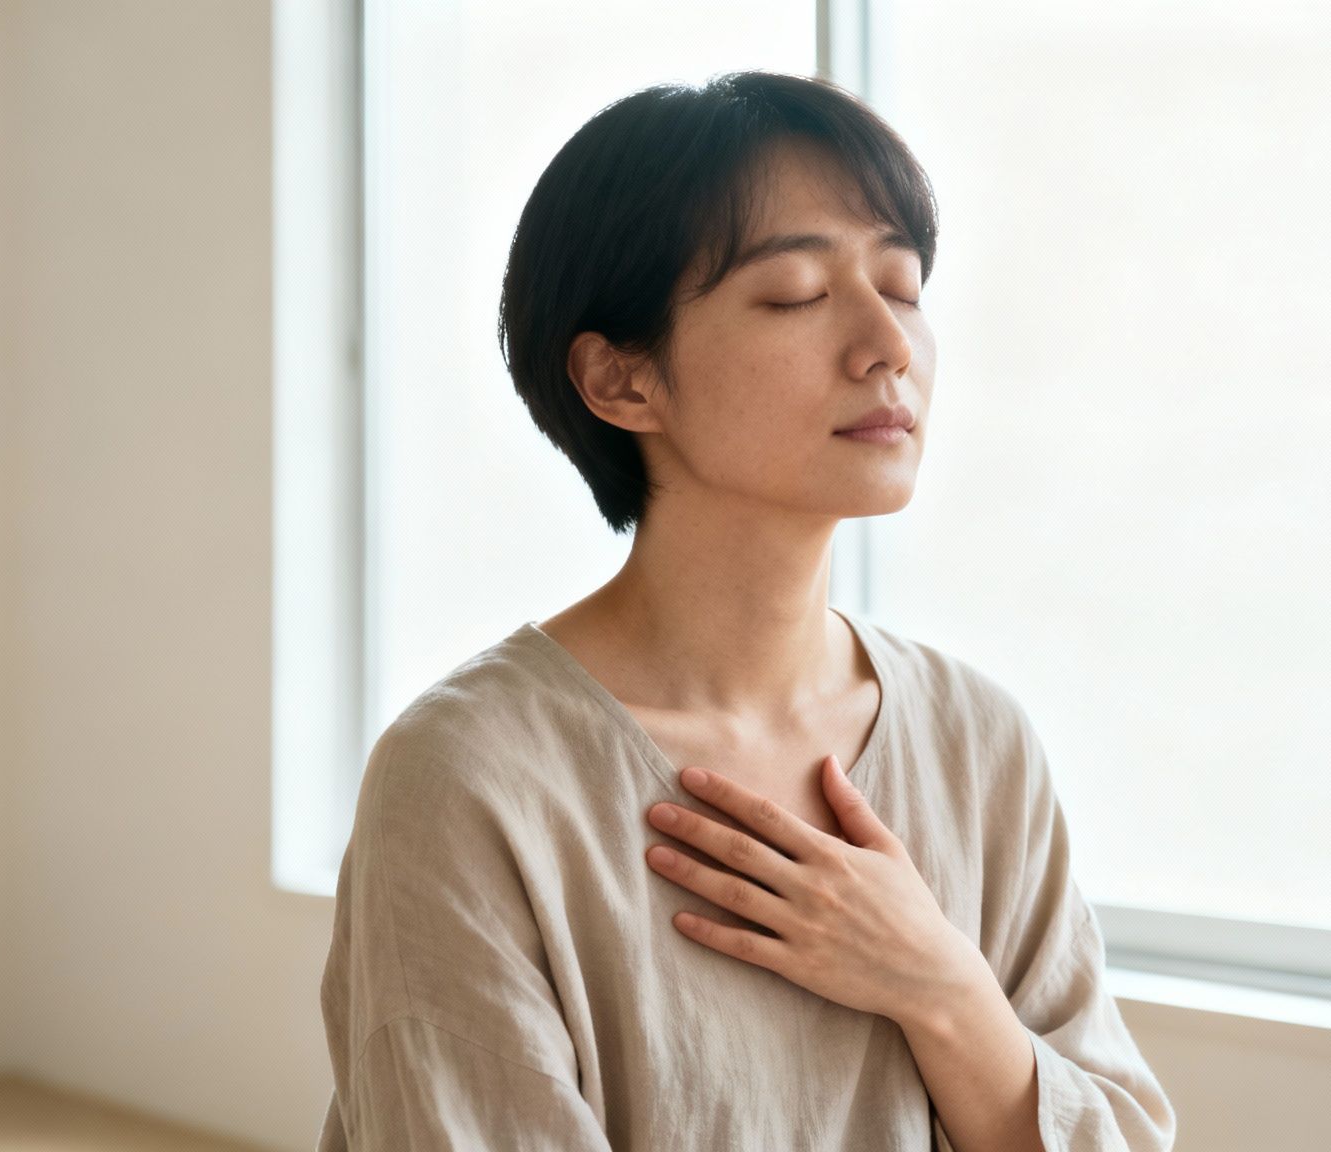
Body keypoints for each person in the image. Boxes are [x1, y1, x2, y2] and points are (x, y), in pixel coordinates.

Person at [316, 70, 1177, 1151]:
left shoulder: (978, 742)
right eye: (797, 296)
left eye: (902, 286)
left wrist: (940, 985)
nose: (887, 344)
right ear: (621, 381)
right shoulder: (470, 778)